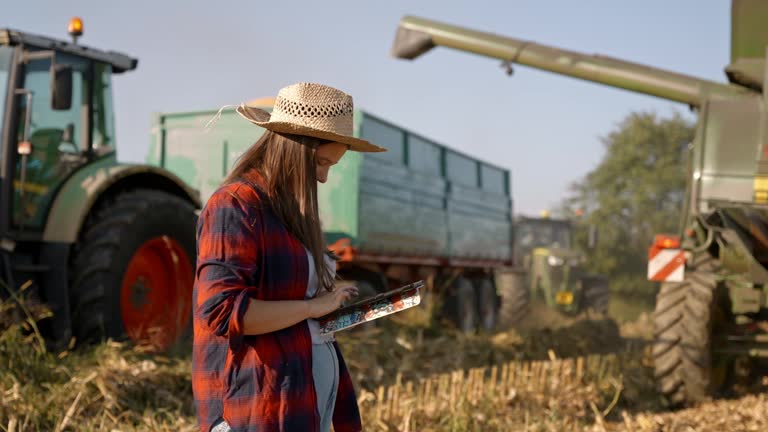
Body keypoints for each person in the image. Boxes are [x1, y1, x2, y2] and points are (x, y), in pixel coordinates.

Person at [192, 82, 387, 432]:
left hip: (300, 400)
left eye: (333, 166)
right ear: (294, 148)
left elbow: (288, 307)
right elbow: (222, 313)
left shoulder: (291, 214)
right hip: (256, 406)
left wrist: (330, 310)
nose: (325, 177)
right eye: (321, 162)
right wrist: (313, 308)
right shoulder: (236, 206)